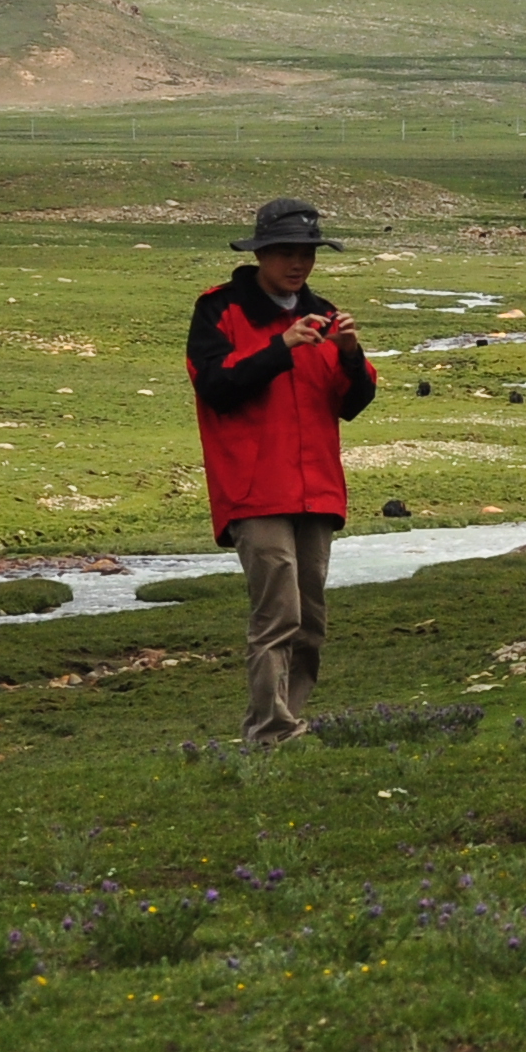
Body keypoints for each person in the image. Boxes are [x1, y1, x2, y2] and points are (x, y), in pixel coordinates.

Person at [187, 197, 376, 742]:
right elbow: (215, 386)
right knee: (278, 612)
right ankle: (269, 729)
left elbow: (353, 401)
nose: (299, 264)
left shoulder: (324, 311)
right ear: (262, 253)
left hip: (317, 489)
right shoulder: (219, 310)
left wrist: (348, 353)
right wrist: (280, 347)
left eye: (308, 254)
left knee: (310, 620)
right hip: (254, 489)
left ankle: (289, 720)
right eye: (288, 253)